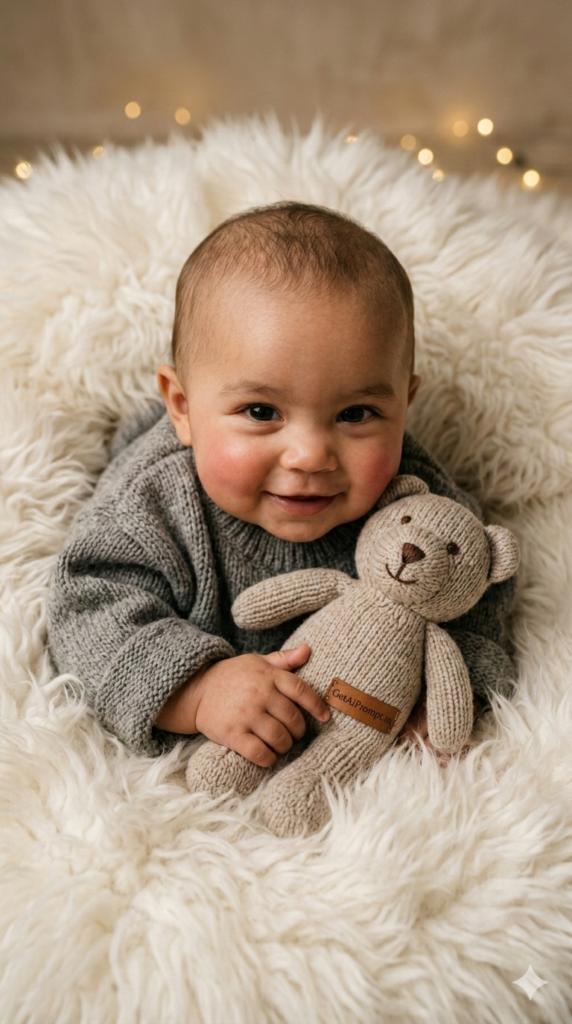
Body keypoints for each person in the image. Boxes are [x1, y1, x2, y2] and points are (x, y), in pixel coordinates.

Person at [47, 202, 516, 769]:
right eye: (262, 410)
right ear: (184, 407)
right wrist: (197, 691)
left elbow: (478, 600)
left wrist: (444, 696)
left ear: (404, 405)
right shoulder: (155, 504)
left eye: (357, 413)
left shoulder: (419, 505)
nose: (310, 455)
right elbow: (86, 610)